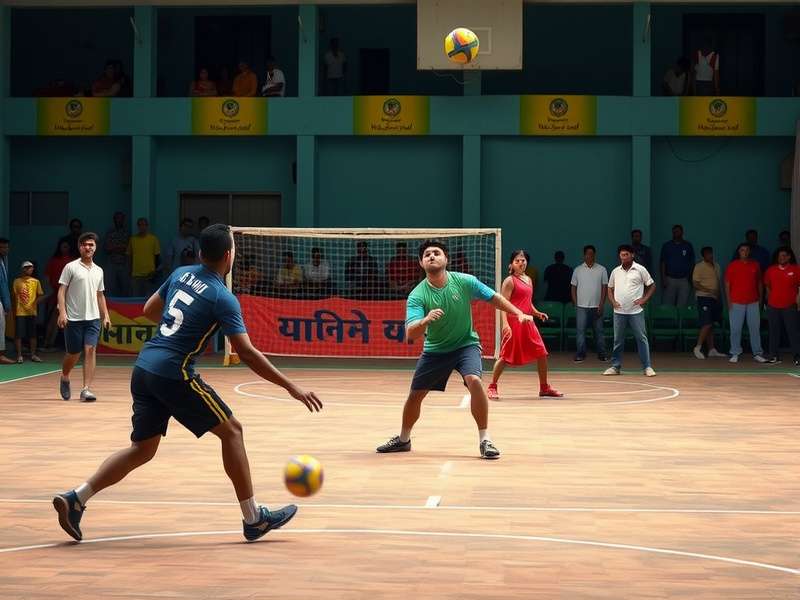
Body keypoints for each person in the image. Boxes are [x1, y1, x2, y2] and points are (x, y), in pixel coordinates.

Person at [52, 224, 322, 543]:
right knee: (232, 431)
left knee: (142, 449)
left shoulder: (181, 273)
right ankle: (254, 519)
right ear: (228, 255)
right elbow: (247, 353)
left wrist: (174, 330)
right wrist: (292, 387)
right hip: (173, 372)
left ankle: (76, 498)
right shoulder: (223, 297)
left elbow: (150, 309)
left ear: (199, 253)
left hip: (144, 367)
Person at [376, 239, 536, 460]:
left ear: (446, 259)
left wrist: (517, 312)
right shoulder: (418, 295)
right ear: (421, 263)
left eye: (437, 253)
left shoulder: (464, 281)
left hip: (465, 345)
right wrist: (425, 321)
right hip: (435, 350)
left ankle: (485, 440)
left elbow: (494, 297)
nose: (432, 256)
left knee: (475, 381)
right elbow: (410, 334)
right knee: (415, 396)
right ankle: (404, 440)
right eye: (427, 255)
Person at [486, 250, 562, 400]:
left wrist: (537, 313)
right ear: (511, 265)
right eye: (517, 261)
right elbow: (503, 304)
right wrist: (505, 324)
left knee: (541, 353)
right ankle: (492, 387)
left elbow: (527, 303)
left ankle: (544, 387)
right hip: (514, 323)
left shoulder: (528, 280)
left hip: (528, 322)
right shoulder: (509, 281)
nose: (521, 263)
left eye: (523, 260)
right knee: (505, 357)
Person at [57, 233, 111, 402]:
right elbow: (61, 291)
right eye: (84, 244)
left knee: (90, 349)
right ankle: (65, 376)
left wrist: (106, 316)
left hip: (93, 318)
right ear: (80, 247)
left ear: (95, 248)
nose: (88, 247)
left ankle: (86, 389)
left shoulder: (99, 270)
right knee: (74, 353)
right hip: (73, 318)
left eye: (91, 245)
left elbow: (100, 295)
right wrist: (62, 313)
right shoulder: (70, 267)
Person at [604, 245, 657, 377]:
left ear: (632, 255)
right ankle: (615, 367)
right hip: (619, 311)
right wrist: (612, 301)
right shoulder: (615, 271)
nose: (624, 257)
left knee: (641, 338)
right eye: (622, 255)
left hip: (636, 311)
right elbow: (609, 288)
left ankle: (647, 367)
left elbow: (652, 285)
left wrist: (644, 300)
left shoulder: (640, 269)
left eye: (626, 254)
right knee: (618, 340)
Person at [725, 243, 768, 364]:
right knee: (735, 329)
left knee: (754, 329)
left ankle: (757, 353)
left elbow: (759, 283)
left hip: (753, 301)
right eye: (742, 250)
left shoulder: (755, 265)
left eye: (747, 250)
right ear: (739, 252)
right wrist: (728, 301)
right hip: (736, 302)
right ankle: (735, 352)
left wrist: (760, 300)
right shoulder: (732, 265)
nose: (744, 252)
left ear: (749, 252)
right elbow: (727, 284)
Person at [570, 245, 608, 362]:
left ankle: (602, 354)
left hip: (597, 306)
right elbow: (573, 288)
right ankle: (581, 354)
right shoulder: (578, 270)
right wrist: (576, 303)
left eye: (592, 254)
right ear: (584, 255)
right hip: (581, 306)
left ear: (594, 255)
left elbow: (604, 288)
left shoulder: (602, 269)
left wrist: (601, 304)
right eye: (587, 254)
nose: (589, 256)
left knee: (599, 331)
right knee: (580, 331)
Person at [763, 247, 800, 366]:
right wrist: (768, 301)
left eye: (784, 256)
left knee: (793, 332)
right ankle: (773, 356)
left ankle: (797, 356)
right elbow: (767, 287)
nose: (781, 258)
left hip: (790, 306)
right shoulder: (770, 270)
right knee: (774, 332)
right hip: (773, 306)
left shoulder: (796, 270)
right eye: (780, 256)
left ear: (789, 257)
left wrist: (798, 302)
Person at [690, 247, 727, 360]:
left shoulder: (717, 266)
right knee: (706, 323)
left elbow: (718, 283)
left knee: (711, 324)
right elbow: (695, 284)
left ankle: (711, 349)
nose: (710, 256)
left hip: (715, 299)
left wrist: (719, 298)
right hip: (704, 297)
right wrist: (709, 290)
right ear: (703, 256)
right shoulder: (699, 266)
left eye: (711, 253)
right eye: (707, 254)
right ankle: (698, 347)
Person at [42, 240, 75, 351]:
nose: (64, 248)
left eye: (66, 246)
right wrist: (49, 291)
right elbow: (47, 277)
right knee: (53, 320)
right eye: (63, 246)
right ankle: (48, 343)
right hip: (55, 294)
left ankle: (69, 345)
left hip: (70, 295)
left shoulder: (73, 262)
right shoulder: (53, 261)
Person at [13, 261, 44, 363]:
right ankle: (19, 356)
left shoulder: (36, 282)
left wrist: (34, 303)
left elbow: (40, 295)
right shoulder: (17, 281)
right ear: (22, 269)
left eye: (31, 267)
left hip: (32, 312)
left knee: (33, 334)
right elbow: (14, 295)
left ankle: (33, 355)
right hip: (20, 312)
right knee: (19, 334)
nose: (29, 269)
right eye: (26, 267)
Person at [660, 224, 695, 306]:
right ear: (672, 233)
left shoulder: (688, 246)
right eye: (674, 232)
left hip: (684, 280)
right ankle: (669, 319)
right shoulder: (667, 246)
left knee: (682, 305)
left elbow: (692, 263)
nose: (676, 233)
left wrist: (690, 278)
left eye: (678, 231)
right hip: (670, 279)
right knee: (668, 305)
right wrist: (663, 278)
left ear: (682, 233)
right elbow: (662, 263)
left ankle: (680, 319)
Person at [127, 217, 161, 297]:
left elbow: (157, 257)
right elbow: (129, 256)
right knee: (135, 298)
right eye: (140, 225)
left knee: (148, 299)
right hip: (136, 275)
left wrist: (154, 272)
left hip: (149, 275)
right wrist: (129, 271)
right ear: (138, 226)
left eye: (144, 225)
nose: (142, 227)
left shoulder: (153, 239)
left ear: (147, 226)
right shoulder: (133, 239)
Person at [104, 211, 130, 297]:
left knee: (125, 288)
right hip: (111, 263)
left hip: (124, 263)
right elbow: (107, 248)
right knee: (110, 287)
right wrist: (119, 247)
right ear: (114, 220)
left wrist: (115, 247)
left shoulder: (127, 233)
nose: (119, 220)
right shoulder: (109, 232)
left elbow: (127, 248)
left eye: (121, 219)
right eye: (117, 218)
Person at [0, 238, 16, 364]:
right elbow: (2, 285)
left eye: (6, 247)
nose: (5, 250)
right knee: (1, 326)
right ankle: (0, 355)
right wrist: (6, 304)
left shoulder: (3, 261)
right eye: (2, 247)